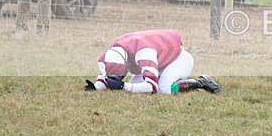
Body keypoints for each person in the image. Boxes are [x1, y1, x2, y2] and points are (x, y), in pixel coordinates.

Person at [85, 29, 222, 94]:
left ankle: (200, 82)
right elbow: (108, 73)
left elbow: (152, 87)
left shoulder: (143, 53)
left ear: (127, 63)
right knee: (135, 85)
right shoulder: (114, 50)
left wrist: (123, 86)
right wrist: (96, 86)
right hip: (158, 61)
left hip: (178, 60)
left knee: (163, 89)